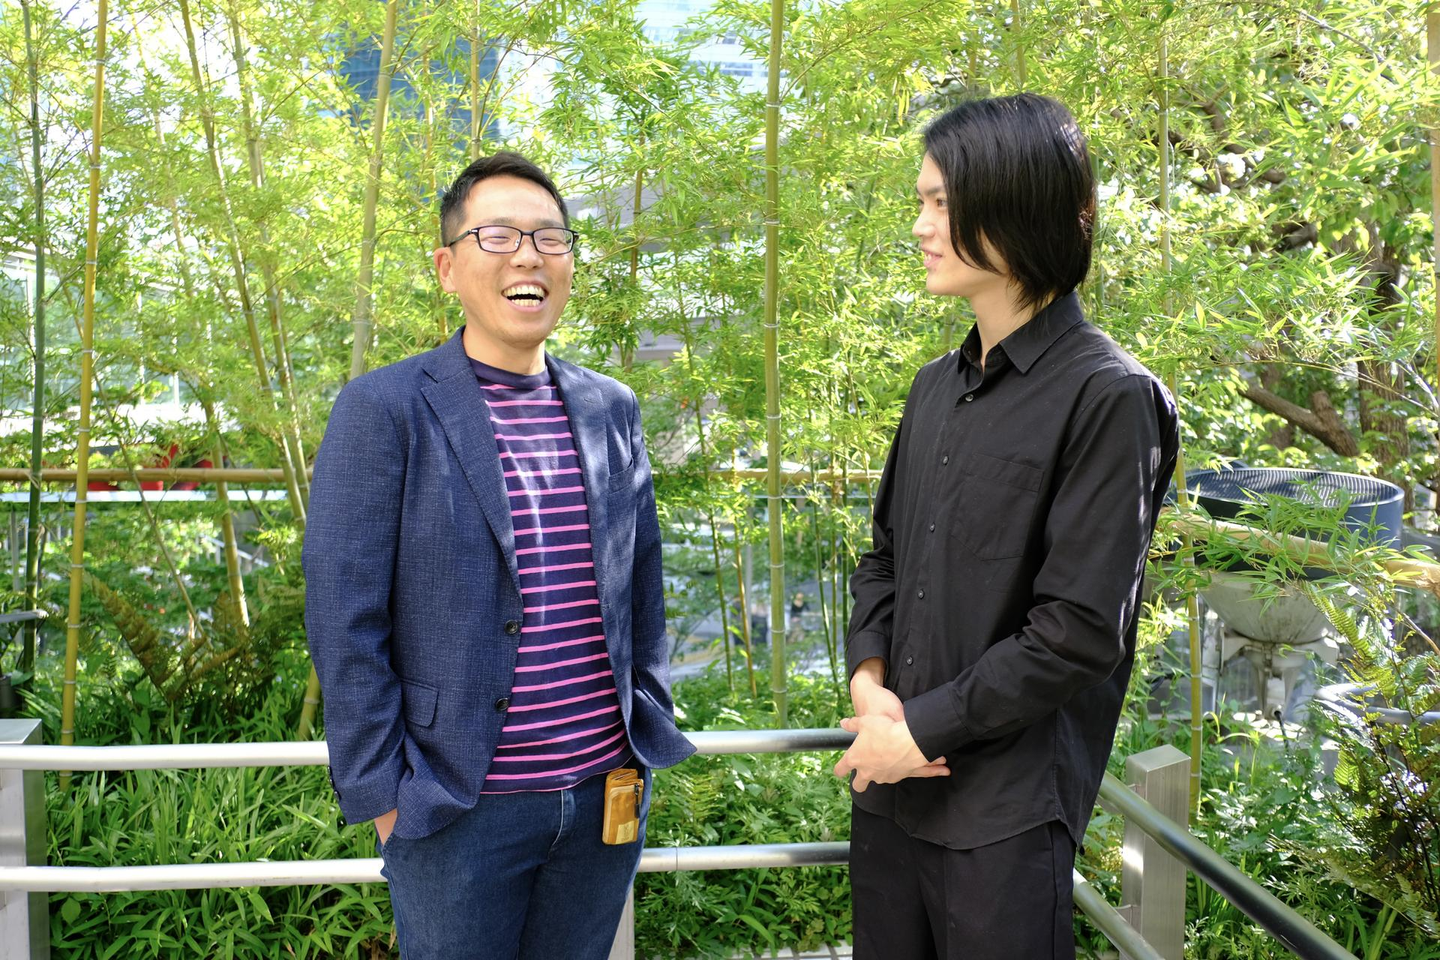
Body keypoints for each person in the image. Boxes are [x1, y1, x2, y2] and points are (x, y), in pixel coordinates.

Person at [303, 151, 695, 959]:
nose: (528, 256)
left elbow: (642, 585)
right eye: (498, 236)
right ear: (447, 267)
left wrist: (643, 721)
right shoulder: (385, 408)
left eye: (550, 237)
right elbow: (344, 619)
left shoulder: (611, 407)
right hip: (457, 808)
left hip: (604, 793)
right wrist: (389, 801)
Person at [832, 94, 1180, 960]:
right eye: (921, 201)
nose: (921, 226)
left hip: (1005, 818)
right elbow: (884, 560)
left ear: (1013, 207)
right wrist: (870, 683)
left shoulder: (1110, 397)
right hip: (890, 791)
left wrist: (920, 729)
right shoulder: (932, 387)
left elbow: (1078, 631)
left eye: (941, 203)